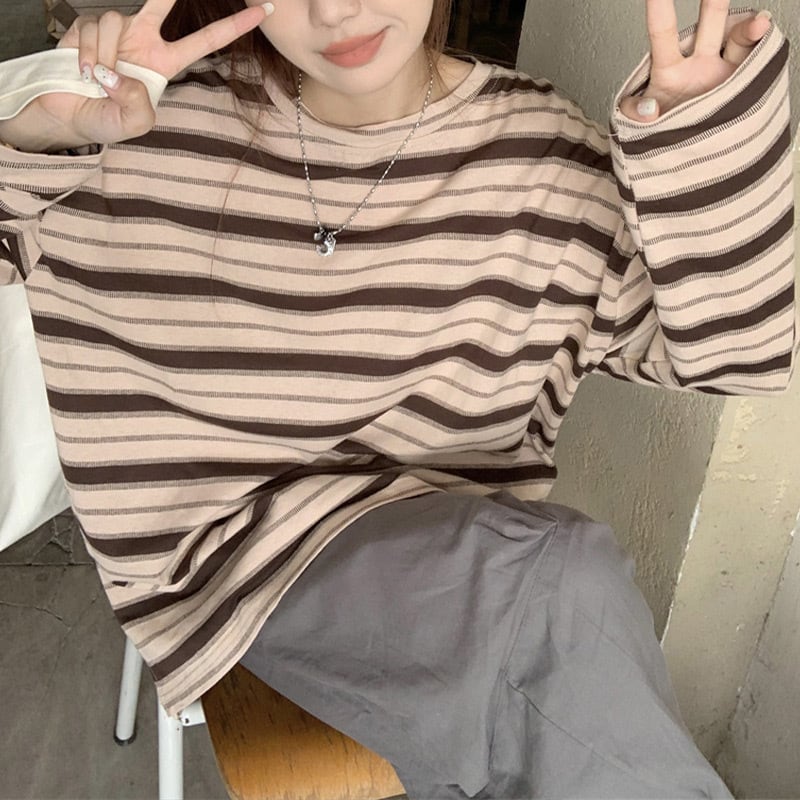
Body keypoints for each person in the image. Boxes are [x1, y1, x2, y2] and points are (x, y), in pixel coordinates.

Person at [0, 0, 794, 796]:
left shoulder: (538, 156)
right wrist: (32, 135)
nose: (335, 10)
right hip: (228, 562)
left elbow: (741, 358)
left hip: (456, 555)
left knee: (558, 604)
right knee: (554, 594)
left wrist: (702, 143)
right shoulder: (141, 128)